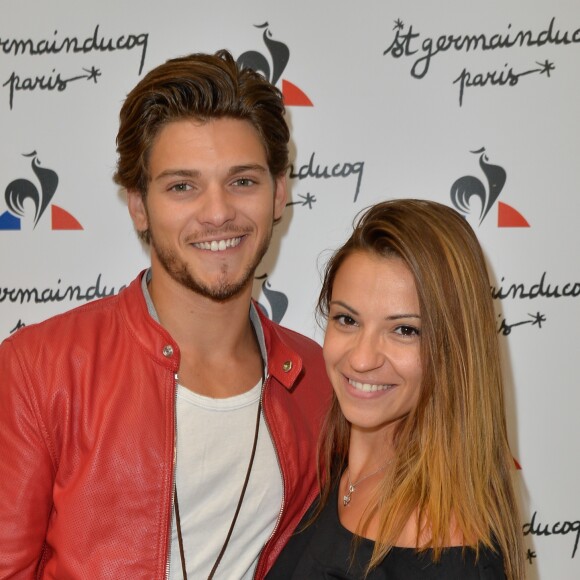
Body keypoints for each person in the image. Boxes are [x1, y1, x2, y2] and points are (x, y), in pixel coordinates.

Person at [0, 50, 331, 579]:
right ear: (137, 205)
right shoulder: (38, 368)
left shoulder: (319, 380)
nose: (218, 212)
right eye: (183, 186)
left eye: (243, 180)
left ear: (279, 193)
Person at [267, 199, 525, 580]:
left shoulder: (446, 552)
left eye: (404, 330)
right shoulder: (330, 473)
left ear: (455, 349)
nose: (362, 358)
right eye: (347, 319)